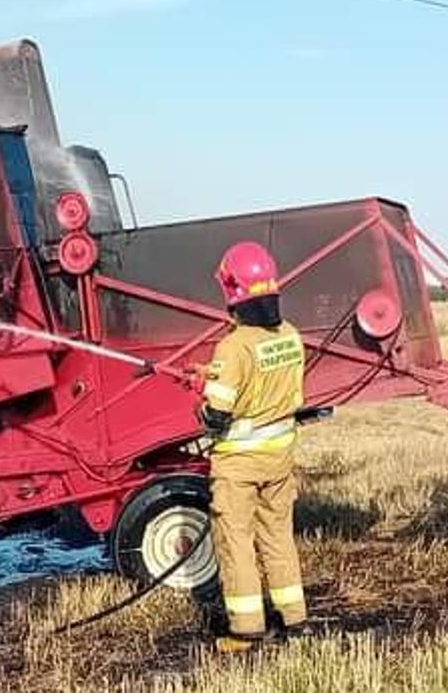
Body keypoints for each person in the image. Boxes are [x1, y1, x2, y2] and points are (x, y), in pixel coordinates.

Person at [198, 241, 308, 653]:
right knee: (278, 538)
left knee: (237, 542)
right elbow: (266, 382)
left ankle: (245, 629)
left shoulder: (233, 346)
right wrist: (216, 375)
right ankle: (294, 618)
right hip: (279, 459)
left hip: (240, 465)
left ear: (231, 289)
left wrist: (205, 396)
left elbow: (217, 416)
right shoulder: (290, 335)